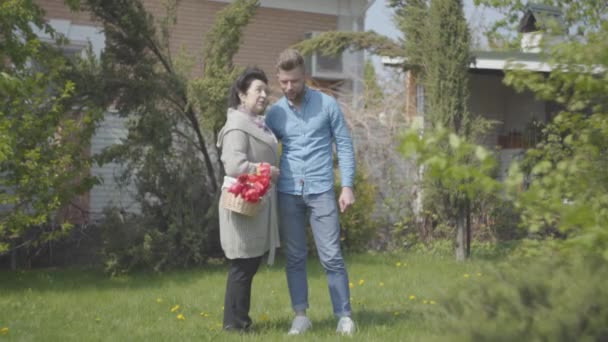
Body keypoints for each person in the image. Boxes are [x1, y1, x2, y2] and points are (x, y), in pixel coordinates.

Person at [265, 49, 357, 336]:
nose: (288, 87)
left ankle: (344, 316)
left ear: (304, 76)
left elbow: (343, 144)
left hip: (321, 191)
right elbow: (262, 143)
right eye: (283, 82)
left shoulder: (327, 105)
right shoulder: (276, 112)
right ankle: (301, 316)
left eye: (293, 81)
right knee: (294, 256)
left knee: (331, 256)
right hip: (288, 192)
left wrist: (348, 186)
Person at [216, 67, 280, 332]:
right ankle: (236, 325)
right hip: (242, 207)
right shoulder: (237, 125)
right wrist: (265, 170)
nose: (264, 95)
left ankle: (237, 322)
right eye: (258, 90)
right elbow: (233, 164)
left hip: (253, 206)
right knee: (242, 265)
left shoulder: (254, 122)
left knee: (247, 264)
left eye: (266, 90)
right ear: (242, 95)